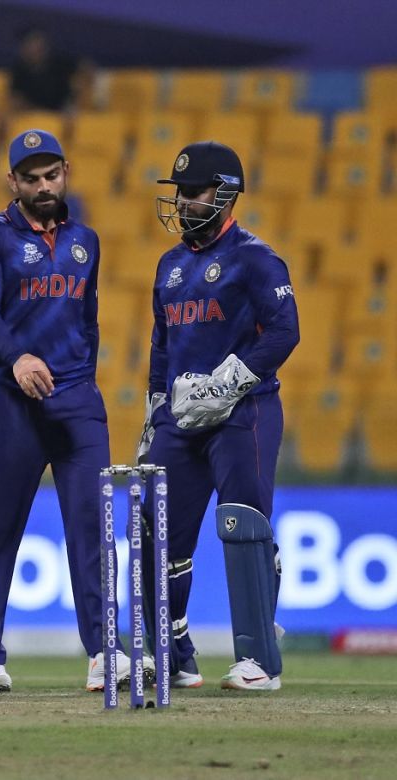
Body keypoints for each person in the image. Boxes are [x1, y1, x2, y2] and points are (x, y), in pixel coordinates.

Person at [0, 129, 136, 693]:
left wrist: (78, 378)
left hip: (77, 401)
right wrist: (17, 359)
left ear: (66, 172)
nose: (42, 186)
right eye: (30, 178)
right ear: (12, 181)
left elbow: (88, 319)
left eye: (51, 175)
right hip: (12, 401)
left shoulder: (87, 239)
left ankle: (105, 651)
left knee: (93, 527)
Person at [139, 141, 299, 691]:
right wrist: (153, 410)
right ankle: (173, 654)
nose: (183, 202)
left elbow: (285, 331)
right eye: (179, 192)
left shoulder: (256, 258)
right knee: (157, 531)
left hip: (243, 412)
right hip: (181, 419)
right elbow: (163, 346)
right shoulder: (170, 265)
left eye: (195, 191)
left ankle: (259, 659)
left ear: (226, 194)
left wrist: (231, 380)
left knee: (243, 526)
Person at [8, 28, 79, 113]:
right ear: (23, 49)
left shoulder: (60, 63)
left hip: (63, 115)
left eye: (39, 45)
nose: (36, 49)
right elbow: (16, 99)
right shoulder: (18, 71)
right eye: (30, 45)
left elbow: (85, 69)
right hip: (34, 116)